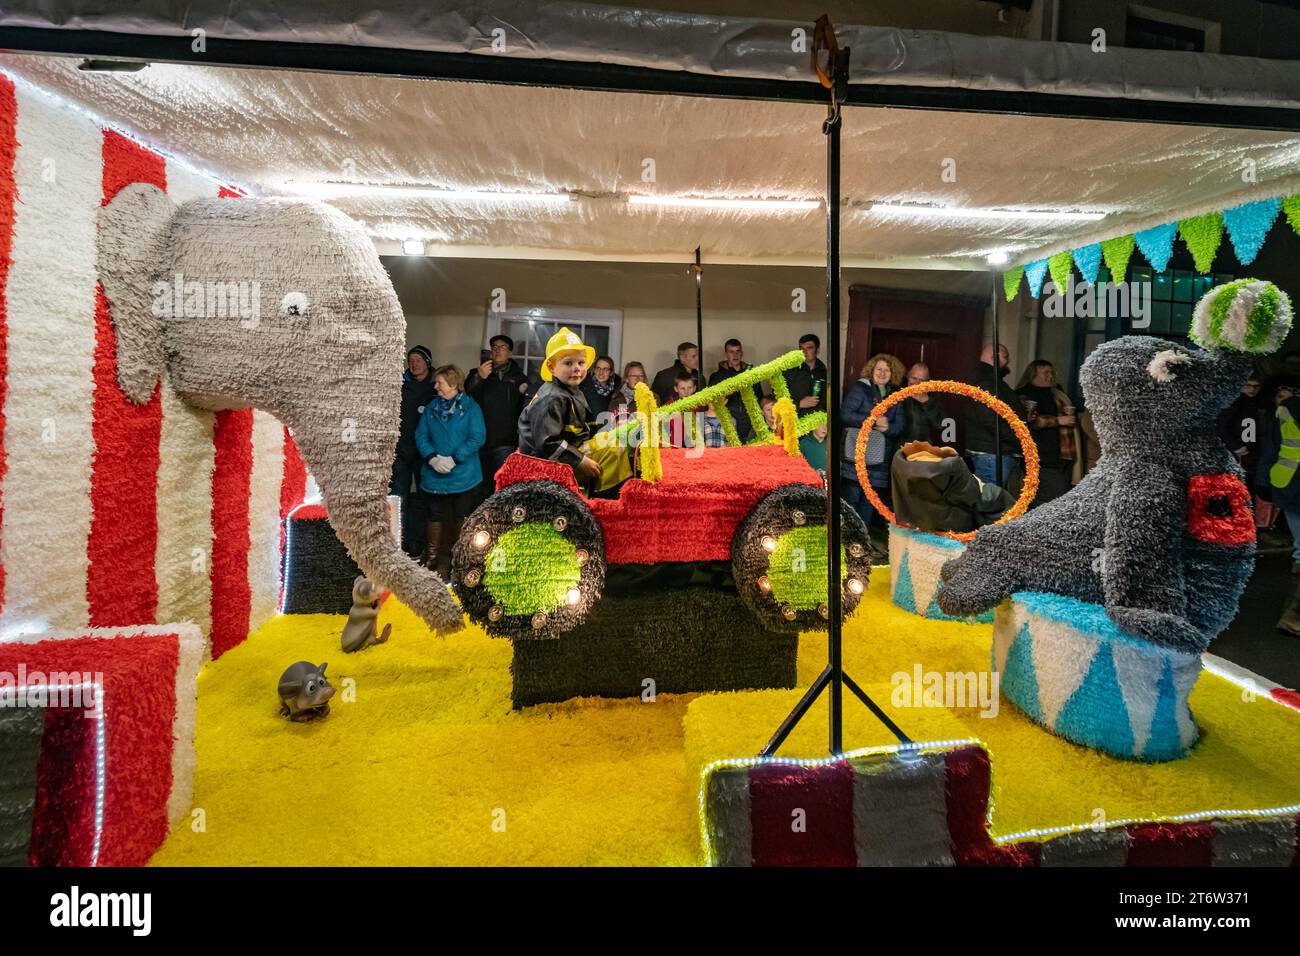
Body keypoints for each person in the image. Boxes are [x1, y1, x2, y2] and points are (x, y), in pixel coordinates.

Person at [518, 327, 632, 495]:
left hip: (569, 447)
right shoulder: (552, 397)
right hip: (546, 461)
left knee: (613, 441)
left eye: (581, 363)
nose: (577, 368)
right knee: (614, 452)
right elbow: (547, 443)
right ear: (551, 367)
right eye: (568, 363)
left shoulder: (573, 390)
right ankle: (603, 499)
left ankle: (606, 492)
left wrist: (609, 432)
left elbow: (584, 425)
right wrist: (580, 460)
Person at [415, 365, 486, 576]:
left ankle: (459, 562)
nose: (435, 386)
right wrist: (432, 458)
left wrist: (454, 459)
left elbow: (477, 437)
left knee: (461, 516)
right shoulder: (431, 408)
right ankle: (432, 559)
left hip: (464, 475)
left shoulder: (472, 408)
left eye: (440, 383)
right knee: (434, 515)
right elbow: (421, 436)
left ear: (454, 384)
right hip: (434, 474)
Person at [841, 354, 905, 542]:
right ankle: (847, 539)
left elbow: (901, 426)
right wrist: (871, 421)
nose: (883, 373)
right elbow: (845, 415)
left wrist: (888, 428)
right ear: (872, 371)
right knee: (852, 498)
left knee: (870, 502)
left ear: (893, 373)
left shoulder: (896, 395)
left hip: (880, 458)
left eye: (887, 370)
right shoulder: (860, 390)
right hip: (856, 454)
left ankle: (862, 539)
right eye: (879, 369)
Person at [890, 441, 1013, 533]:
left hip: (927, 521)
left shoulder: (903, 468)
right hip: (959, 522)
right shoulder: (950, 468)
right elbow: (971, 495)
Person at [1257, 381, 1300, 636]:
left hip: (1290, 485)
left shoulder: (1286, 408)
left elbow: (1271, 449)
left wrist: (1263, 483)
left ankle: (1293, 616)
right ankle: (1293, 616)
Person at [465, 334, 528, 495]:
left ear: (510, 353)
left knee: (502, 486)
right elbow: (467, 396)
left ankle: (497, 520)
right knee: (478, 487)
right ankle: (479, 519)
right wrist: (480, 377)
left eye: (503, 348)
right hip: (479, 441)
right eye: (495, 348)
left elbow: (526, 409)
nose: (498, 351)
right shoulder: (477, 373)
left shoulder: (519, 377)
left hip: (506, 442)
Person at [390, 345, 438, 557]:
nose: (414, 363)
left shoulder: (436, 387)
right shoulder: (400, 385)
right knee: (399, 497)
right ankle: (397, 542)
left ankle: (416, 543)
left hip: (425, 454)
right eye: (411, 359)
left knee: (421, 499)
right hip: (400, 451)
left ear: (427, 362)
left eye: (418, 359)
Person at [1015, 360, 1078, 506]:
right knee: (1050, 497)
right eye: (1046, 373)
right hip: (1041, 456)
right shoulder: (1025, 395)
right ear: (1033, 375)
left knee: (1060, 495)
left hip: (1062, 455)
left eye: (1052, 373)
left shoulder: (1056, 393)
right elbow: (1030, 421)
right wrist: (1059, 420)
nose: (1051, 376)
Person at [966, 343, 1025, 489]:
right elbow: (991, 418)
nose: (1008, 362)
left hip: (995, 451)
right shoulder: (985, 381)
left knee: (993, 499)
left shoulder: (989, 379)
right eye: (1005, 357)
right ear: (994, 357)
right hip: (993, 452)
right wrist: (1019, 438)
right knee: (991, 500)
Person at [707, 338, 763, 441]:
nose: (735, 355)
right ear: (726, 354)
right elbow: (712, 402)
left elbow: (760, 397)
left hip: (750, 421)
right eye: (731, 352)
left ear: (742, 354)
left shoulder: (751, 374)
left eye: (738, 351)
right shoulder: (717, 376)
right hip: (727, 421)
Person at [900, 362, 946, 444]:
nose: (917, 383)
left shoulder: (933, 395)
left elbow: (941, 425)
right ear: (907, 376)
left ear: (927, 381)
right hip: (899, 448)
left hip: (923, 448)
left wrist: (927, 402)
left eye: (921, 380)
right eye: (914, 378)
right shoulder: (897, 392)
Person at [784, 333, 827, 417]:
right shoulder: (788, 371)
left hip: (819, 423)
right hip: (795, 421)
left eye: (809, 348)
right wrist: (798, 404)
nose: (804, 352)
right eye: (801, 348)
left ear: (817, 350)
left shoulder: (825, 372)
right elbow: (778, 399)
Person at [580, 354, 622, 426]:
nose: (601, 373)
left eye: (605, 369)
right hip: (591, 433)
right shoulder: (584, 388)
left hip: (609, 433)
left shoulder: (617, 390)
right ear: (594, 370)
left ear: (611, 372)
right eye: (598, 368)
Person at [665, 370, 700, 447]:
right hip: (674, 448)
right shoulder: (668, 407)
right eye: (682, 388)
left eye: (689, 388)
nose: (686, 392)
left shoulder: (699, 406)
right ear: (676, 389)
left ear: (694, 388)